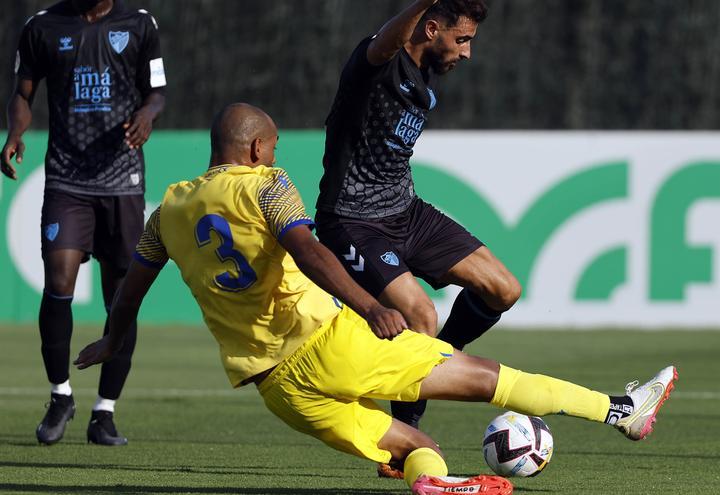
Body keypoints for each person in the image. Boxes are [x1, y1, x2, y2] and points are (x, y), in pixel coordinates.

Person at [74, 103, 678, 495]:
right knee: (488, 378)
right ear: (256, 148)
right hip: (330, 346)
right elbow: (308, 251)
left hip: (275, 389)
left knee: (418, 451)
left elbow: (131, 287)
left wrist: (112, 339)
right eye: (276, 145)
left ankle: (434, 485)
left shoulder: (168, 210)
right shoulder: (266, 185)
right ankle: (623, 412)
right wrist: (370, 306)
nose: (278, 155)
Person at [316, 1, 517, 473]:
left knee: (503, 289)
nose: (467, 53)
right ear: (431, 27)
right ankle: (405, 443)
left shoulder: (425, 75)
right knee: (420, 316)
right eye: (462, 39)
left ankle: (437, 360)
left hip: (407, 211)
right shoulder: (377, 65)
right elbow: (385, 41)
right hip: (351, 220)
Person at [1, 0, 166, 446]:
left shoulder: (139, 23)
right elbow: (23, 93)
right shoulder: (43, 26)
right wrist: (15, 134)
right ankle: (60, 396)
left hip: (123, 182)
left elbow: (156, 91)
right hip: (66, 179)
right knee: (58, 280)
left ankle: (104, 413)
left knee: (122, 296)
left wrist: (148, 115)